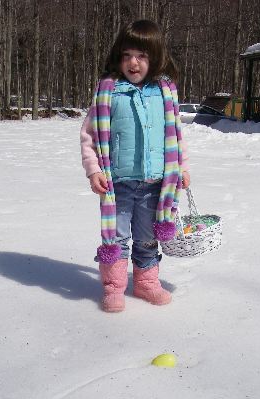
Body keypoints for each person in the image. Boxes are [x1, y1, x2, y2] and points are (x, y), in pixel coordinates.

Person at [80, 19, 190, 312]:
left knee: (147, 237)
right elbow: (89, 136)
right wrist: (94, 170)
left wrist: (182, 168)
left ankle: (146, 283)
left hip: (155, 184)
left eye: (141, 56)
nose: (133, 62)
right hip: (118, 184)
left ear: (155, 58)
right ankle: (113, 288)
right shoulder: (109, 92)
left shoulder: (165, 92)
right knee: (116, 238)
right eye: (127, 55)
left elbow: (176, 136)